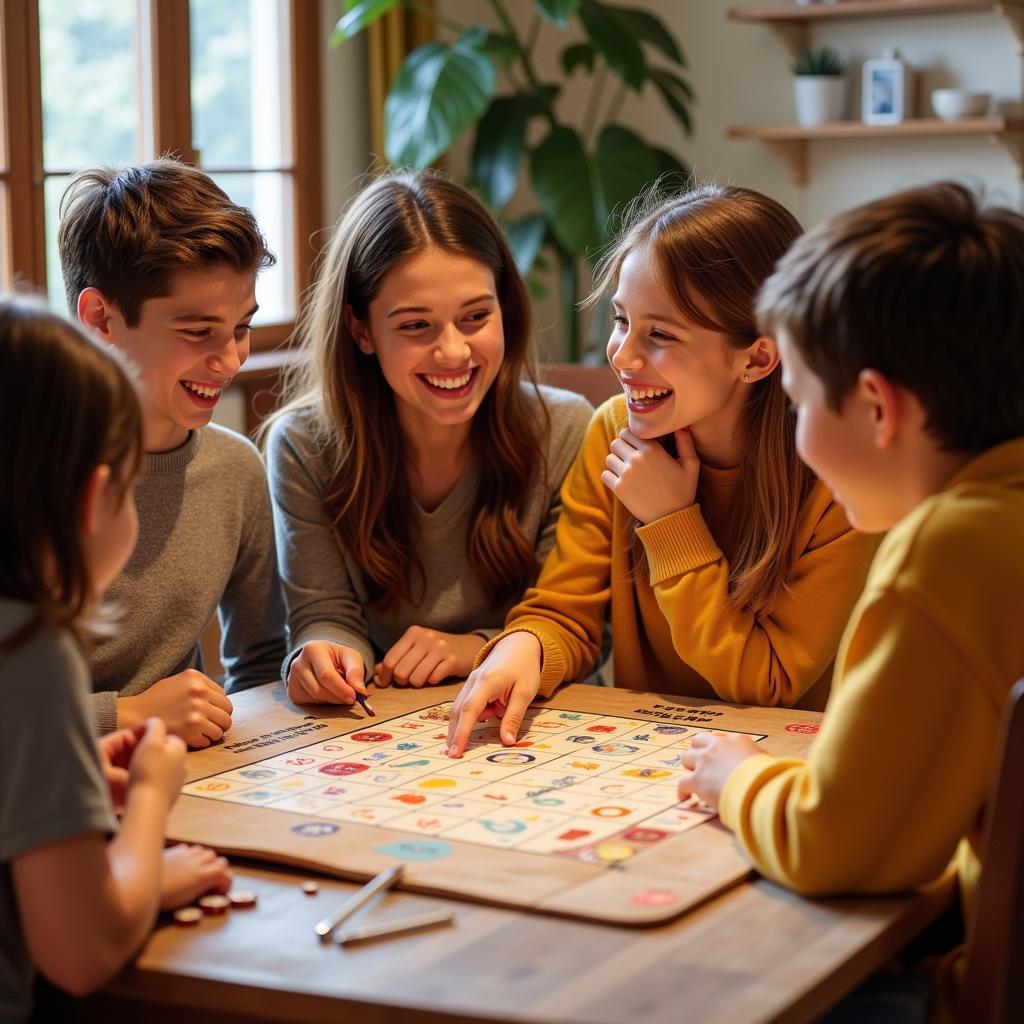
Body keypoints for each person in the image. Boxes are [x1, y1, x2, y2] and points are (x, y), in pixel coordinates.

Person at [678, 182, 1024, 1023]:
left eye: (796, 400)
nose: (794, 432)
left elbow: (841, 848)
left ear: (877, 406)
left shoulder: (947, 552)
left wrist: (738, 781)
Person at [448, 184, 877, 755]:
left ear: (756, 357)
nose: (621, 356)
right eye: (620, 320)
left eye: (660, 335)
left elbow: (769, 683)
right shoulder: (612, 431)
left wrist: (672, 522)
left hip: (786, 766)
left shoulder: (838, 476)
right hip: (646, 755)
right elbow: (565, 612)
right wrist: (522, 645)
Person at [264, 170, 593, 706]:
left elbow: (584, 633)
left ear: (505, 308)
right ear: (361, 330)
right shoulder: (303, 446)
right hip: (379, 726)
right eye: (416, 326)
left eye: (476, 317)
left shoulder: (568, 430)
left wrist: (478, 649)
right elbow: (324, 616)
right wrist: (323, 653)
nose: (454, 353)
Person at [0, 298, 230, 1020]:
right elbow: (82, 950)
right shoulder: (30, 647)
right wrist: (153, 810)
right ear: (95, 499)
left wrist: (66, 781)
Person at [58, 158, 288, 746]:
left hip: (182, 782)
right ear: (99, 319)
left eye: (241, 327)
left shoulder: (235, 469)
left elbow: (261, 661)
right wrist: (130, 714)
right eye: (197, 332)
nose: (231, 361)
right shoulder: (28, 475)